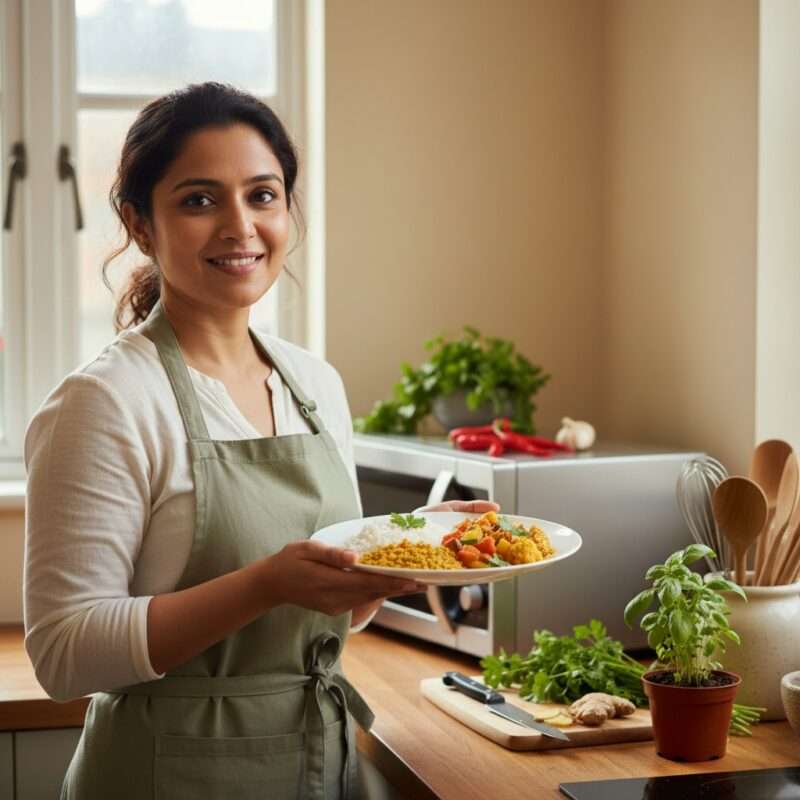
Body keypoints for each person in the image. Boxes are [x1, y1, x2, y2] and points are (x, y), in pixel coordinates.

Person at [23, 81, 497, 799]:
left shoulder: (314, 383)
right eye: (199, 199)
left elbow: (330, 612)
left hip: (316, 764)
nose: (240, 226)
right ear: (140, 224)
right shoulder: (105, 401)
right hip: (164, 776)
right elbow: (64, 654)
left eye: (263, 195)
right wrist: (264, 583)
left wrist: (407, 556)